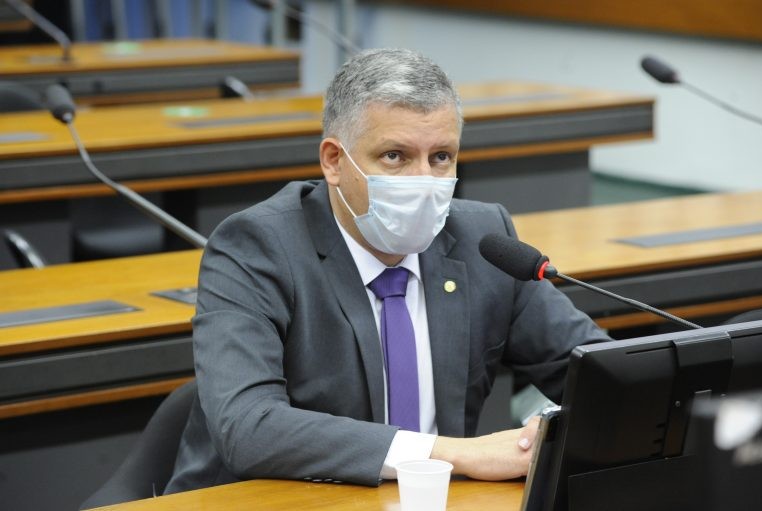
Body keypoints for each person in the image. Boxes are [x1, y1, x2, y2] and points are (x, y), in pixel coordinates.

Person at [165, 48, 610, 493]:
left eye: (441, 157)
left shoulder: (482, 238)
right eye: (395, 156)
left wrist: (540, 434)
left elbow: (601, 375)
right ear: (334, 161)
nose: (424, 180)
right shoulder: (256, 247)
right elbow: (248, 427)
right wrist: (455, 454)